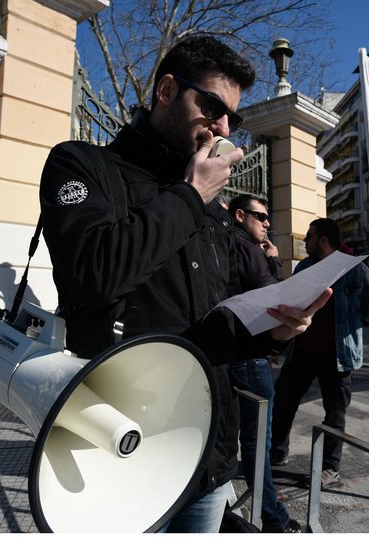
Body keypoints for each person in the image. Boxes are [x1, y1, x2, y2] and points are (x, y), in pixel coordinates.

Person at [39, 35, 330, 533]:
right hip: (117, 452)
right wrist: (191, 193)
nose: (222, 128)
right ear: (167, 90)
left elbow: (208, 329)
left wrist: (273, 332)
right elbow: (95, 278)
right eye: (213, 107)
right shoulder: (82, 166)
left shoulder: (213, 211)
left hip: (207, 456)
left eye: (232, 120)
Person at [270, 218, 369, 489]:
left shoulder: (356, 270)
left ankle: (330, 468)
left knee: (335, 414)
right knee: (283, 402)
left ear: (324, 240)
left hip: (337, 356)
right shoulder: (305, 267)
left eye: (310, 236)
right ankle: (277, 453)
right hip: (302, 351)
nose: (305, 241)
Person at [226, 194, 300, 533]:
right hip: (249, 358)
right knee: (258, 445)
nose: (268, 223)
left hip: (235, 354)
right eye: (261, 217)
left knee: (244, 440)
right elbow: (275, 297)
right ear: (241, 215)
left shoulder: (227, 241)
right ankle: (272, 517)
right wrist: (273, 261)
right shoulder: (247, 247)